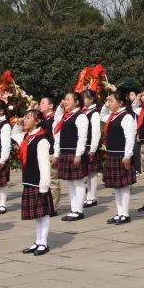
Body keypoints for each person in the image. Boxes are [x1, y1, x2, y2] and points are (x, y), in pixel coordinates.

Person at [17, 109, 53, 255]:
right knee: (36, 215)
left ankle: (43, 243)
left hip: (39, 182)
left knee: (43, 214)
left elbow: (45, 165)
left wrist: (44, 186)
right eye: (25, 117)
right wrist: (19, 123)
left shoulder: (41, 140)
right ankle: (38, 240)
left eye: (29, 118)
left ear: (37, 121)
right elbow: (14, 134)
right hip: (29, 180)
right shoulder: (27, 137)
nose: (25, 120)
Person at [100, 91, 138, 225]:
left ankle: (125, 214)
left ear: (120, 103)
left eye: (112, 101)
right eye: (109, 101)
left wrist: (127, 156)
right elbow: (102, 115)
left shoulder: (126, 117)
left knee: (124, 186)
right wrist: (107, 102)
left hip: (121, 155)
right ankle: (119, 212)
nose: (109, 103)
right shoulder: (112, 116)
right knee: (116, 187)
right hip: (112, 154)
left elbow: (130, 138)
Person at [54, 92, 90, 221]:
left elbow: (82, 138)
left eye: (68, 99)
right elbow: (56, 119)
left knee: (78, 182)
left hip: (74, 153)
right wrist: (57, 154)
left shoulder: (80, 117)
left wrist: (78, 154)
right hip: (65, 152)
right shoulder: (65, 116)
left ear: (77, 102)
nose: (65, 101)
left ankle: (78, 210)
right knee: (70, 183)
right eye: (65, 99)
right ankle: (73, 208)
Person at [38, 97, 61, 212]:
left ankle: (53, 207)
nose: (40, 105)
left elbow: (56, 137)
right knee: (43, 180)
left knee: (53, 181)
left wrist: (55, 154)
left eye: (43, 103)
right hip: (42, 153)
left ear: (51, 106)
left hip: (51, 153)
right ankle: (45, 204)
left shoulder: (55, 119)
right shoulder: (41, 120)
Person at [81, 90, 102, 208]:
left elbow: (96, 132)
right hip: (85, 146)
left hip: (90, 146)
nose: (82, 101)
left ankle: (92, 197)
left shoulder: (94, 113)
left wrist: (93, 148)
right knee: (87, 173)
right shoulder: (84, 112)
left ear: (91, 100)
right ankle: (89, 196)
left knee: (92, 172)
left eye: (84, 98)